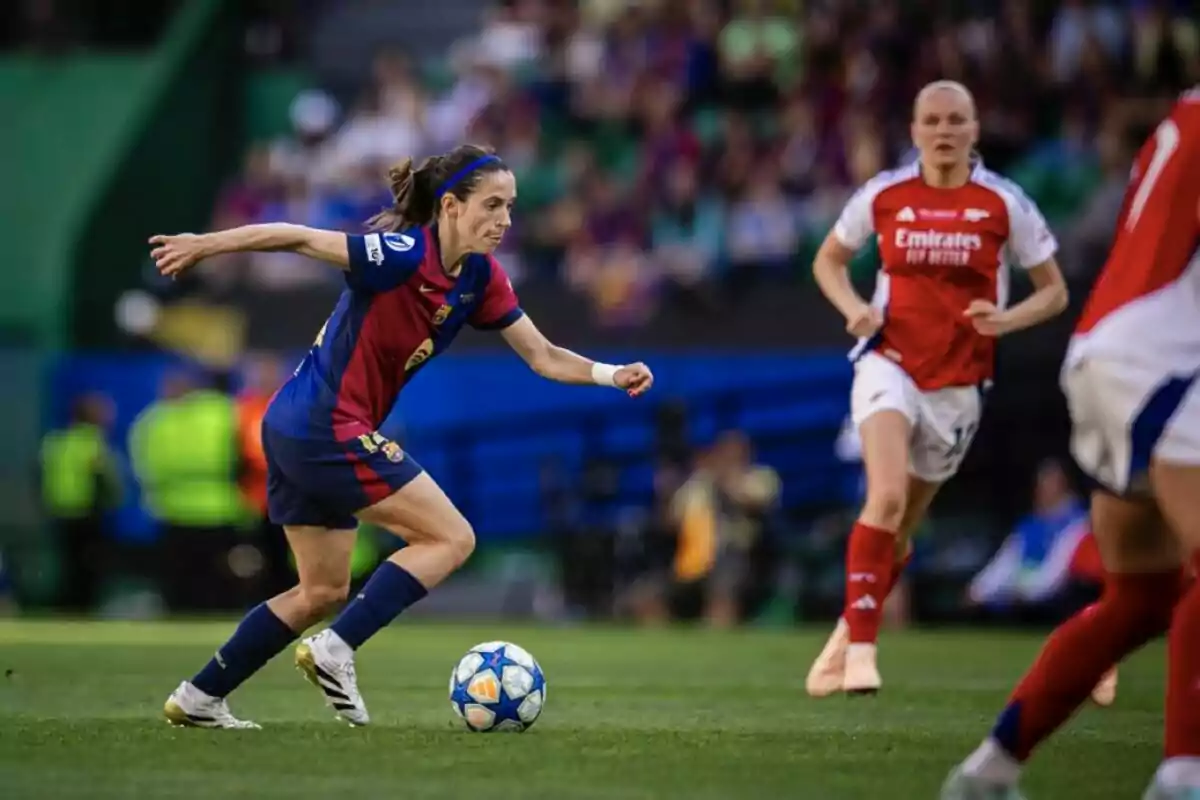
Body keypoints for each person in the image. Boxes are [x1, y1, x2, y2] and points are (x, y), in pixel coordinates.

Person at [151, 144, 655, 729]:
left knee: (320, 589)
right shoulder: (399, 255)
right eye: (492, 205)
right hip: (324, 425)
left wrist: (610, 374)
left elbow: (542, 357)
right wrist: (204, 245)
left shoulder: (481, 278)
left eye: (511, 207)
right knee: (453, 539)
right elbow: (298, 237)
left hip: (297, 426)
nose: (505, 220)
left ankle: (199, 696)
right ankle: (336, 649)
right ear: (449, 206)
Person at [941, 87, 1200, 800]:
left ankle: (986, 774)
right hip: (1166, 360)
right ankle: (1185, 775)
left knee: (1143, 598)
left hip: (1106, 350)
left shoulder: (1183, 112)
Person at [805, 81, 1070, 696]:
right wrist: (853, 308)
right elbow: (828, 260)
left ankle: (844, 637)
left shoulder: (1005, 204)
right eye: (932, 120)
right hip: (888, 362)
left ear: (974, 129)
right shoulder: (886, 194)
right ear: (915, 128)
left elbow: (1054, 290)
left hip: (958, 385)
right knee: (887, 497)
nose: (944, 130)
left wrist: (1008, 320)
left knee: (900, 530)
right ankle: (865, 656)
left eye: (956, 120)